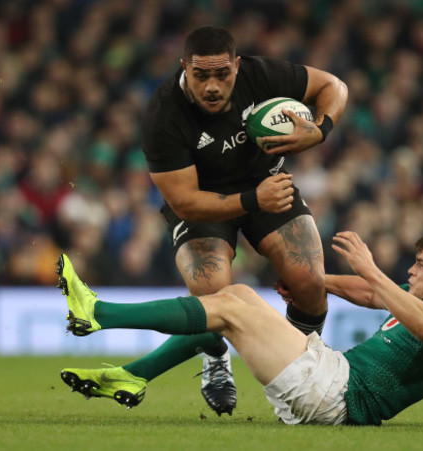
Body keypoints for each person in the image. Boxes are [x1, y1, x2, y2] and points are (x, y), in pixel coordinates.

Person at [57, 230, 423, 425]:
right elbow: (373, 295)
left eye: (421, 266)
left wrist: (372, 269)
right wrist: (313, 282)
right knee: (237, 297)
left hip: (339, 397)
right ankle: (132, 377)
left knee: (230, 309)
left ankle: (99, 313)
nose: (411, 271)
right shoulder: (418, 298)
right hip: (331, 374)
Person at [137, 25, 348, 415]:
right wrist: (254, 199)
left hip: (263, 182)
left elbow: (334, 86)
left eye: (223, 74)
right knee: (214, 294)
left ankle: (300, 363)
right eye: (201, 76)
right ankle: (215, 356)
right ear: (185, 67)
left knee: (309, 280)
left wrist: (319, 132)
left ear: (237, 66)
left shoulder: (261, 74)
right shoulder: (163, 114)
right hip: (205, 199)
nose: (213, 86)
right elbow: (185, 202)